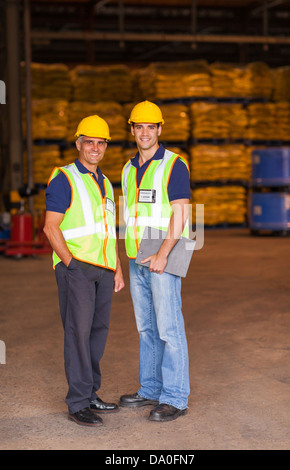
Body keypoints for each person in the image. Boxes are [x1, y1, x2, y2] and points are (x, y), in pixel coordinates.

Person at [44, 115, 124, 427]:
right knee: (78, 334)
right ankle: (78, 402)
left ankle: (90, 393)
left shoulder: (104, 182)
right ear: (79, 144)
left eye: (100, 142)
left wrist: (116, 267)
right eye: (88, 141)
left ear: (105, 146)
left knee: (97, 333)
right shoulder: (64, 178)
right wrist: (70, 264)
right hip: (76, 268)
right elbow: (51, 228)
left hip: (103, 270)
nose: (94, 147)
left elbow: (108, 230)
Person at [119, 101, 191, 422]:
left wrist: (163, 254)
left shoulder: (174, 164)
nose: (145, 133)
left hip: (164, 251)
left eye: (151, 127)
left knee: (169, 326)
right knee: (146, 326)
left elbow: (181, 211)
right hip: (137, 254)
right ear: (132, 130)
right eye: (139, 127)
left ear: (160, 129)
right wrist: (126, 255)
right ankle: (150, 388)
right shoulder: (127, 168)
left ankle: (175, 396)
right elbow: (129, 215)